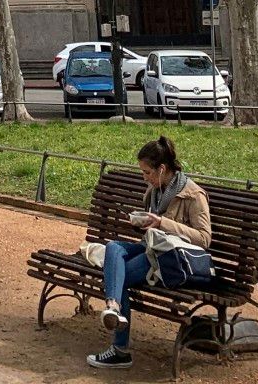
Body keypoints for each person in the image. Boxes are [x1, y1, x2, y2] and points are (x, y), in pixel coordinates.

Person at [88, 134, 212, 370]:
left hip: (170, 260)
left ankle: (120, 350)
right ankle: (113, 307)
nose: (144, 178)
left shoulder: (193, 195)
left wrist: (162, 223)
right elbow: (153, 234)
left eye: (147, 172)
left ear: (162, 169)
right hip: (152, 250)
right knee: (113, 247)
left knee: (118, 277)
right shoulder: (154, 191)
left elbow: (204, 239)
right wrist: (143, 224)